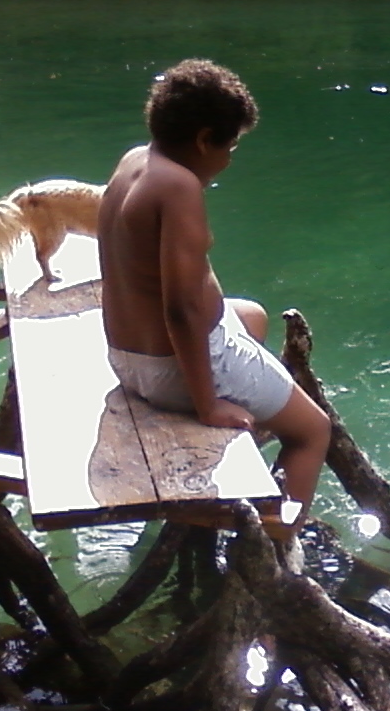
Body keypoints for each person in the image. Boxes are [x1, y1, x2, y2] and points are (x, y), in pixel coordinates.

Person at [97, 58, 331, 535]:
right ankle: (280, 538)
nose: (228, 159)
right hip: (177, 370)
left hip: (125, 358)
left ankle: (244, 444)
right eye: (231, 146)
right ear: (205, 139)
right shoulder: (179, 187)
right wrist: (208, 405)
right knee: (313, 432)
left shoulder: (134, 162)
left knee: (252, 315)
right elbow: (181, 309)